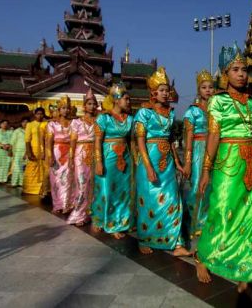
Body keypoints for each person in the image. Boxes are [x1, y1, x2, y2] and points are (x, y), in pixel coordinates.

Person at [195, 44, 252, 302]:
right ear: (226, 73)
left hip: (250, 166)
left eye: (244, 70)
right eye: (236, 69)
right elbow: (214, 136)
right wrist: (206, 170)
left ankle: (244, 277)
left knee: (250, 222)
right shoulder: (217, 100)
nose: (242, 74)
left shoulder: (251, 102)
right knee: (220, 213)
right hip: (227, 165)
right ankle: (202, 256)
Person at [135, 67, 189, 256]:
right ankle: (144, 239)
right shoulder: (144, 113)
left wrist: (178, 163)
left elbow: (170, 142)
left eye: (167, 90)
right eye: (162, 90)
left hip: (167, 163)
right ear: (153, 92)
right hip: (149, 160)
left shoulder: (171, 114)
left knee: (173, 199)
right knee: (148, 201)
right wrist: (148, 166)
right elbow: (140, 142)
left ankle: (176, 243)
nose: (166, 93)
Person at [90, 83, 135, 239]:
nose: (129, 102)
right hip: (108, 157)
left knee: (123, 192)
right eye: (126, 99)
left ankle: (119, 222)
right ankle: (104, 221)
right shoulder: (104, 118)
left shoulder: (130, 119)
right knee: (106, 191)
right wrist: (99, 162)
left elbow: (133, 140)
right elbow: (97, 141)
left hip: (125, 159)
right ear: (116, 100)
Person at [182, 70, 215, 240]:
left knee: (211, 186)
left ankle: (207, 222)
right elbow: (188, 140)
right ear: (198, 90)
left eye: (210, 87)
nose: (208, 90)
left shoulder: (217, 110)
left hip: (213, 149)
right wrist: (187, 162)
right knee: (196, 186)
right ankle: (193, 223)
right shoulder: (192, 112)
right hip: (197, 150)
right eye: (204, 87)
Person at [67, 89, 97, 226]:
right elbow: (73, 140)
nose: (92, 106)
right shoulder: (76, 122)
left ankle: (90, 212)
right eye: (89, 104)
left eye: (94, 104)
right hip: (80, 153)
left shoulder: (99, 121)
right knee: (81, 183)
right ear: (84, 106)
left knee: (93, 184)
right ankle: (78, 214)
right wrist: (71, 157)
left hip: (94, 153)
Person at [46, 96, 75, 214]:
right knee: (56, 180)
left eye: (67, 108)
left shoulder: (73, 123)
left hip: (69, 152)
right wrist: (50, 156)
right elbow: (49, 142)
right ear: (58, 109)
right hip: (56, 152)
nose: (65, 110)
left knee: (69, 179)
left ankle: (68, 204)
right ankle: (58, 204)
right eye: (63, 108)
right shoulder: (52, 124)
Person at [23, 107, 48, 195]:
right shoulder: (30, 125)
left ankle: (41, 189)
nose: (40, 116)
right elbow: (27, 140)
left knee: (44, 169)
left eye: (41, 114)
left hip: (44, 149)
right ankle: (29, 189)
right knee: (32, 168)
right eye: (38, 114)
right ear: (34, 115)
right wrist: (29, 152)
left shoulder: (46, 124)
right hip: (34, 149)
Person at [0, 120, 13, 184]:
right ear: (0, 124)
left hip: (7, 150)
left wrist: (9, 145)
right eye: (3, 123)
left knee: (6, 164)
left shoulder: (10, 132)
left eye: (6, 123)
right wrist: (2, 146)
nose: (5, 125)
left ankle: (4, 179)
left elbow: (12, 140)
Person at [10, 118, 28, 188]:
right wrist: (10, 151)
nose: (25, 124)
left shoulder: (29, 130)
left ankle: (21, 182)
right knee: (17, 167)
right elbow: (12, 141)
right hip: (18, 151)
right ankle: (14, 183)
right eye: (24, 122)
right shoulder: (17, 131)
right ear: (21, 123)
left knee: (24, 167)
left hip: (27, 151)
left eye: (27, 122)